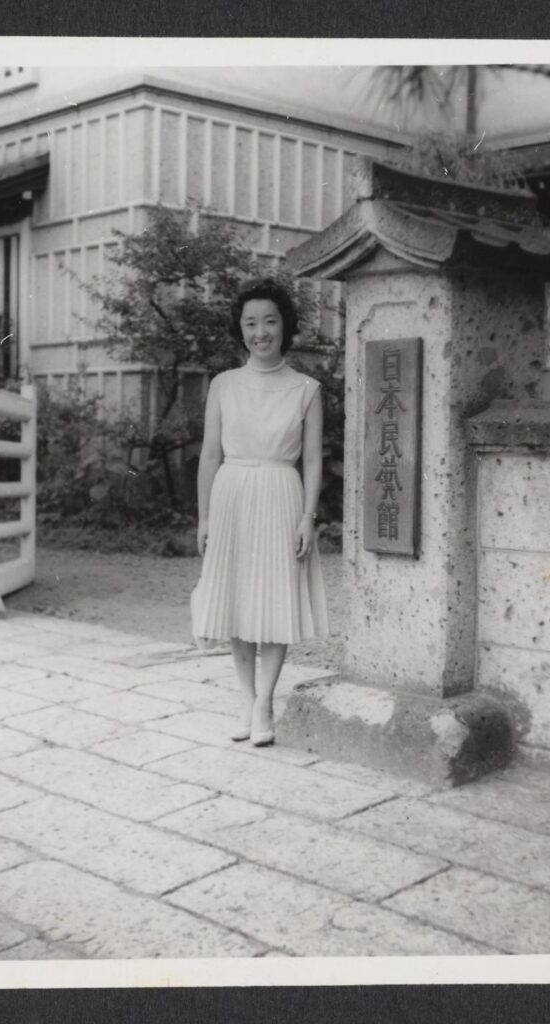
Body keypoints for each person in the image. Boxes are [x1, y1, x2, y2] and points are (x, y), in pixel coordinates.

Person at [190, 278, 329, 747]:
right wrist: (204, 516)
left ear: (284, 326)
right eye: (251, 323)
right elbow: (209, 455)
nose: (260, 331)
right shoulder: (223, 385)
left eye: (269, 321)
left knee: (274, 599)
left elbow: (312, 459)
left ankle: (266, 701)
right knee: (235, 598)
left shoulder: (307, 389)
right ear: (241, 329)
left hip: (280, 490)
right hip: (231, 493)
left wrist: (307, 516)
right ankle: (246, 700)